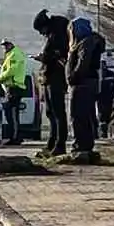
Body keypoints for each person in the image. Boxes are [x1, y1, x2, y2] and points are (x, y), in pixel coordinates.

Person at [65, 17, 106, 162]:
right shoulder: (90, 41)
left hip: (82, 84)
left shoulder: (85, 43)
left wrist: (73, 77)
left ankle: (81, 146)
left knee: (78, 115)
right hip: (87, 83)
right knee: (85, 115)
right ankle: (85, 145)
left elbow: (83, 62)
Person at [32, 9, 70, 157]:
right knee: (50, 112)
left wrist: (44, 58)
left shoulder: (57, 36)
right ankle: (52, 143)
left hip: (56, 79)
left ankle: (59, 144)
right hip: (50, 78)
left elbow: (57, 56)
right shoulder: (53, 35)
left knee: (58, 112)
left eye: (41, 30)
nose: (42, 34)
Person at [0, 38, 28, 145]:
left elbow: (11, 71)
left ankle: (15, 137)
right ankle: (15, 136)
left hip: (15, 87)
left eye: (6, 45)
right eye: (3, 45)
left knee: (12, 113)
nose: (4, 47)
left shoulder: (14, 54)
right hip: (12, 88)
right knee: (11, 113)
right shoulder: (11, 54)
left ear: (11, 44)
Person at [97, 61, 114, 138]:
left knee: (107, 114)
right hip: (100, 98)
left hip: (108, 97)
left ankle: (103, 130)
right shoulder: (97, 74)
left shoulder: (111, 74)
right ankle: (102, 131)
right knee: (101, 115)